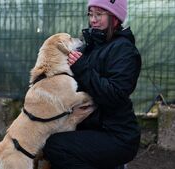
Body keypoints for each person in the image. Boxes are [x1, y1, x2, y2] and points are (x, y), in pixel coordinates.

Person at [43, 0, 141, 169]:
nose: (93, 20)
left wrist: (82, 69)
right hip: (90, 128)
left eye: (99, 14)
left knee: (57, 147)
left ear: (115, 18)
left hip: (117, 135)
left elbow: (114, 95)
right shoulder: (89, 46)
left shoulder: (125, 51)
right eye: (91, 14)